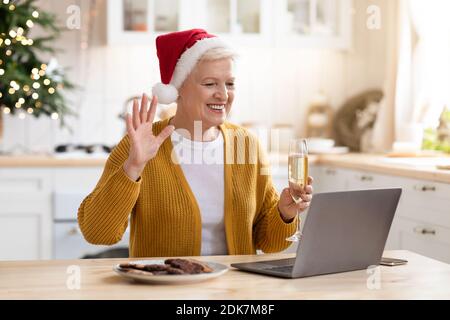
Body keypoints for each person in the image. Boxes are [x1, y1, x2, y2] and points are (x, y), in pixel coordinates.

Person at [78, 29, 313, 258]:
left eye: (229, 84)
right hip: (165, 291)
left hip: (233, 293)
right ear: (178, 89)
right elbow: (98, 233)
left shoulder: (246, 144)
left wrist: (285, 213)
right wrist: (133, 167)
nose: (223, 95)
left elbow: (267, 241)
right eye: (210, 84)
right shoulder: (141, 145)